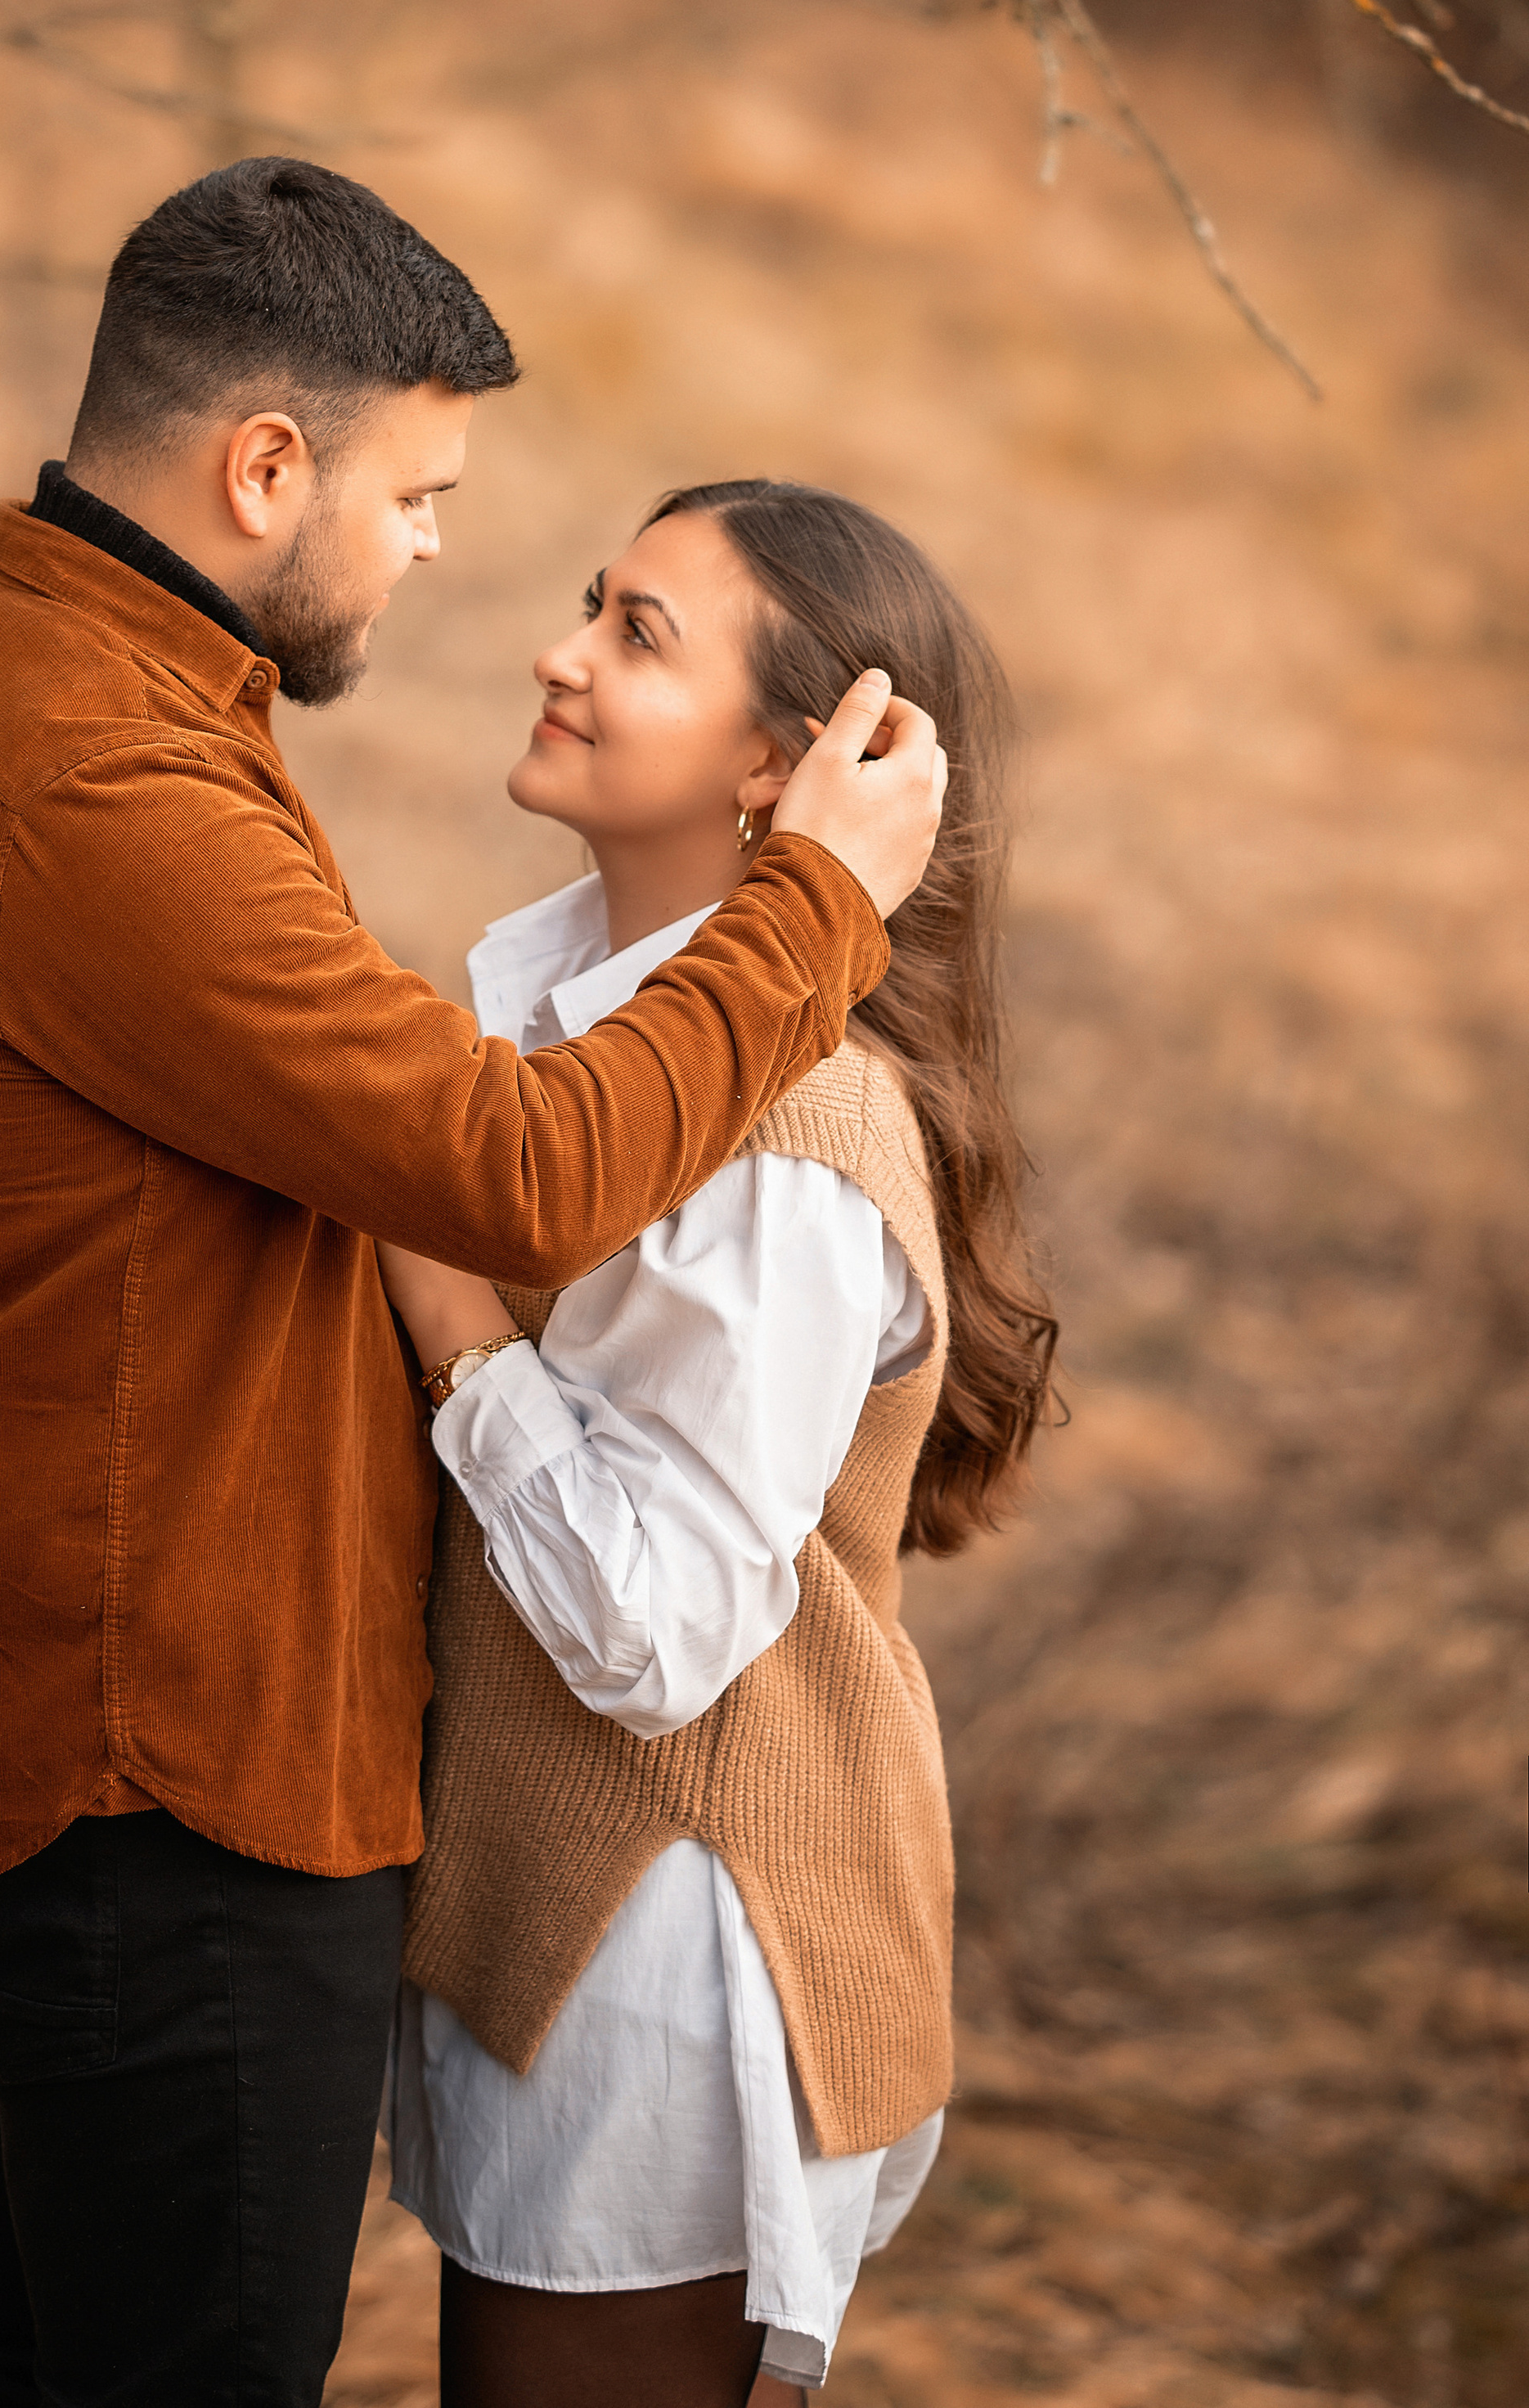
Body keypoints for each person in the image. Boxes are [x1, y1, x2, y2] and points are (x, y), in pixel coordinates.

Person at [0, 164, 947, 2408]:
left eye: (628, 619)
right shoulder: (94, 766)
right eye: (419, 494)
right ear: (263, 468)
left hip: (107, 1741)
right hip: (138, 1783)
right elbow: (506, 1173)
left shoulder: (41, 674)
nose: (445, 557)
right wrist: (817, 911)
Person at [378, 478, 1059, 2408]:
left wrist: (441, 1312)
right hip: (540, 1883)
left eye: (636, 636)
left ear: (778, 768)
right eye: (592, 602)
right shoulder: (549, 1001)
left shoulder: (797, 1145)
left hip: (672, 1940)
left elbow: (657, 1625)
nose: (559, 650)